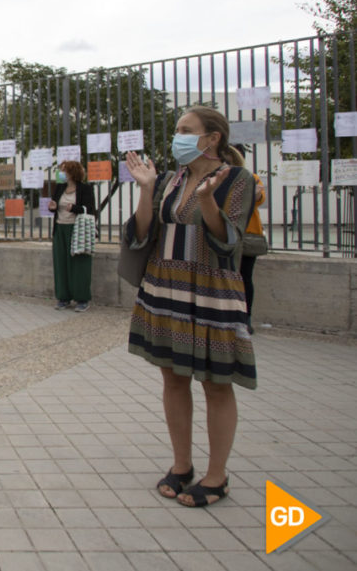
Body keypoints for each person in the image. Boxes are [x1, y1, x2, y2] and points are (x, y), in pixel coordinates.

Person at [124, 106, 255, 508]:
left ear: (212, 138)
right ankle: (182, 465)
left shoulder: (237, 179)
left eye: (186, 130)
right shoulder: (168, 179)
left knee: (217, 384)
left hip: (211, 290)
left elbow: (228, 238)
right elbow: (143, 232)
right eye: (177, 129)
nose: (177, 136)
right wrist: (146, 190)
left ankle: (217, 476)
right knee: (173, 377)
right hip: (166, 288)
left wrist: (207, 201)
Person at [47, 160, 96, 312]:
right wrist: (52, 208)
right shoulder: (60, 187)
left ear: (72, 172)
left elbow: (91, 209)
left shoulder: (85, 189)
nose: (61, 173)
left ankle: (82, 299)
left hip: (77, 230)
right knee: (61, 263)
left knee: (79, 263)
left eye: (64, 170)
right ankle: (63, 297)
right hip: (60, 228)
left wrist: (74, 208)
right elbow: (55, 206)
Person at [234, 144, 265, 335]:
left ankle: (246, 318)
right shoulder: (217, 177)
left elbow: (258, 198)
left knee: (245, 277)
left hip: (247, 235)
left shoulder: (251, 179)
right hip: (225, 235)